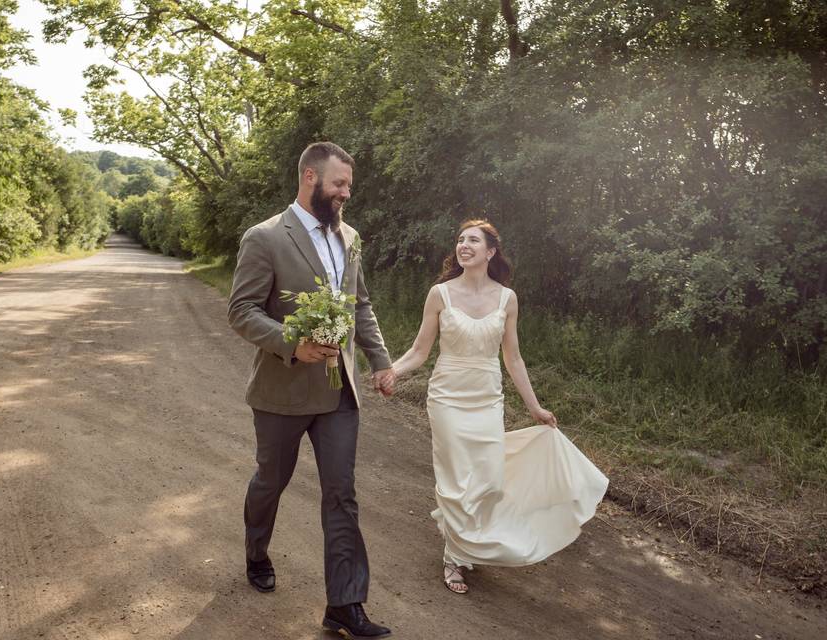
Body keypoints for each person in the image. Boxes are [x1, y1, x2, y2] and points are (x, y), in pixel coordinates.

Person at [228, 142, 396, 638]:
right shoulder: (263, 237)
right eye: (338, 184)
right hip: (282, 390)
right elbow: (241, 311)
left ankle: (344, 605)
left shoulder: (351, 237)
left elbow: (359, 305)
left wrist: (381, 361)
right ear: (309, 177)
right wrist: (290, 344)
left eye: (348, 186)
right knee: (270, 482)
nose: (346, 194)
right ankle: (256, 551)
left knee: (341, 494)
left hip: (339, 392)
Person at [389, 219, 609, 594]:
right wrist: (389, 372)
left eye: (473, 240)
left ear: (490, 252)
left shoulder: (507, 299)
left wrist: (535, 408)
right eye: (460, 240)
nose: (464, 245)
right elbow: (420, 351)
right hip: (447, 398)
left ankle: (470, 539)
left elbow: (514, 359)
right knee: (457, 479)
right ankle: (454, 556)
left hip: (487, 398)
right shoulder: (439, 294)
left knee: (488, 478)